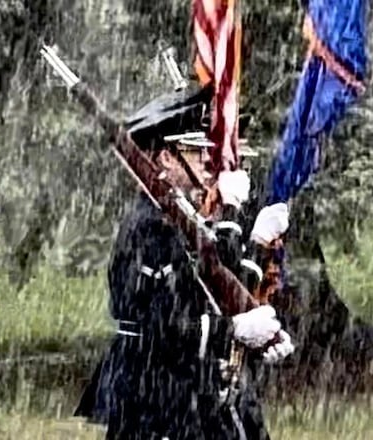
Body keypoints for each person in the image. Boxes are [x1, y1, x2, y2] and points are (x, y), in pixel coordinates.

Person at [73, 84, 296, 440]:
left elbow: (218, 284)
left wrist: (257, 330)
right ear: (165, 158)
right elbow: (165, 328)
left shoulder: (177, 220)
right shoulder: (151, 227)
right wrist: (236, 330)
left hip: (185, 394)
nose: (207, 164)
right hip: (157, 399)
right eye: (194, 153)